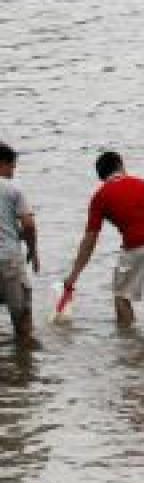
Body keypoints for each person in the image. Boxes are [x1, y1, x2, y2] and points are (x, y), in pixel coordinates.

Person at [64, 151, 144, 328]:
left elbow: (90, 240)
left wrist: (73, 276)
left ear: (101, 176)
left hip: (138, 244)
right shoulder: (142, 183)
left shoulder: (100, 196)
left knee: (122, 296)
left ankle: (127, 339)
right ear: (121, 165)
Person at [0, 143, 38, 346]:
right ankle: (24, 360)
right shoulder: (12, 188)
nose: (13, 172)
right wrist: (33, 250)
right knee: (22, 318)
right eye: (12, 166)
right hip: (8, 260)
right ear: (3, 163)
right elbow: (29, 225)